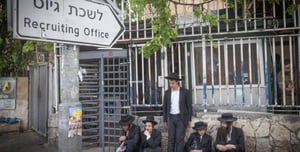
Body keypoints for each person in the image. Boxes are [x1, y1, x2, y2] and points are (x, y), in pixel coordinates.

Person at [163, 72, 193, 152]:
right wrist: (165, 120)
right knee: (171, 139)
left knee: (180, 140)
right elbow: (165, 107)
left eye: (172, 83)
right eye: (170, 83)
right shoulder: (167, 93)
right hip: (171, 118)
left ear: (177, 82)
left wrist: (189, 119)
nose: (171, 85)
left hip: (181, 118)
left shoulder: (185, 92)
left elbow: (189, 106)